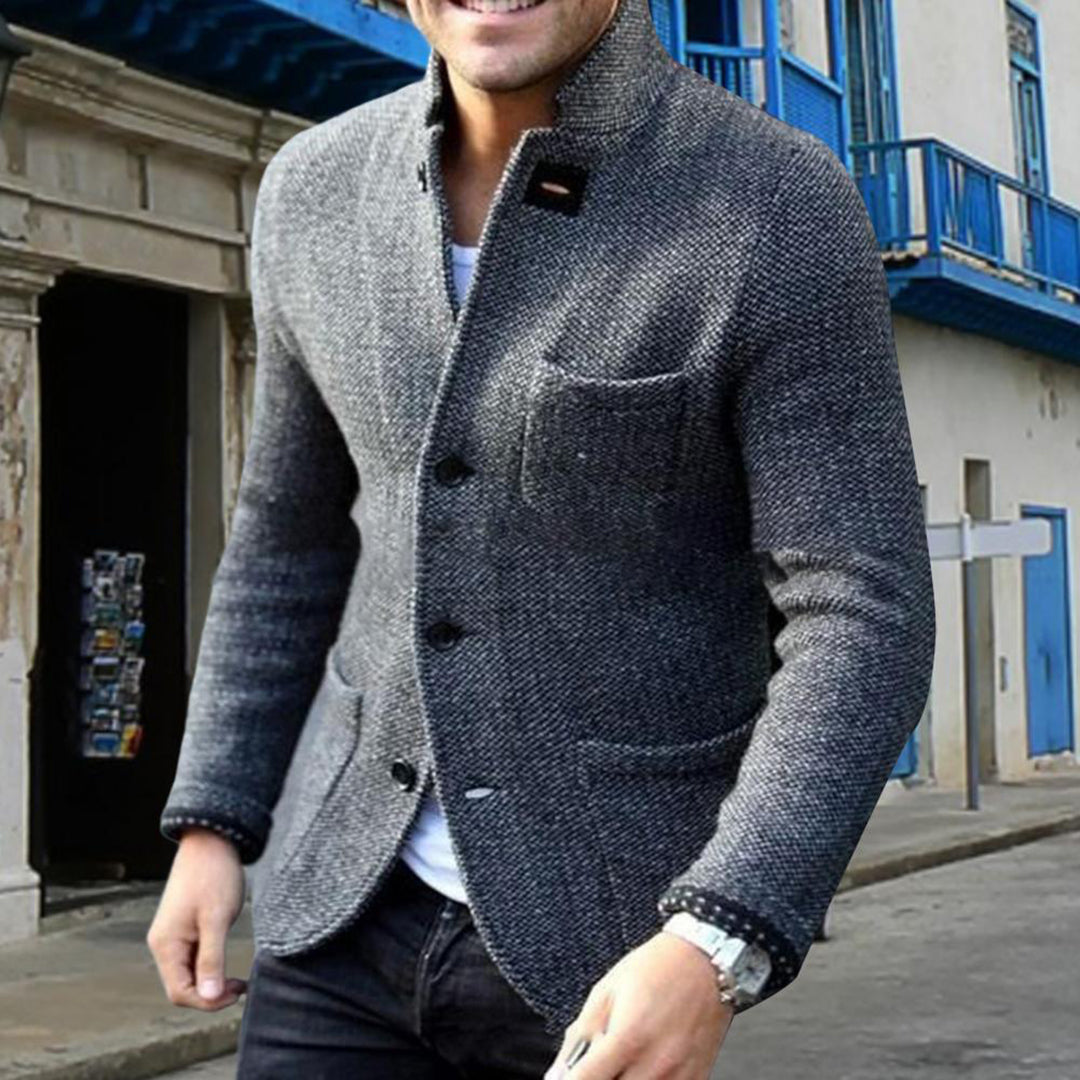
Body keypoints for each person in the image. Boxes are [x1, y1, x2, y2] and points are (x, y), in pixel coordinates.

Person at [146, 0, 937, 1075]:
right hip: (337, 917)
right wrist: (215, 819)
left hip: (615, 940)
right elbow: (285, 541)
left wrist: (719, 936)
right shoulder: (310, 188)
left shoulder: (776, 202)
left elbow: (860, 606)